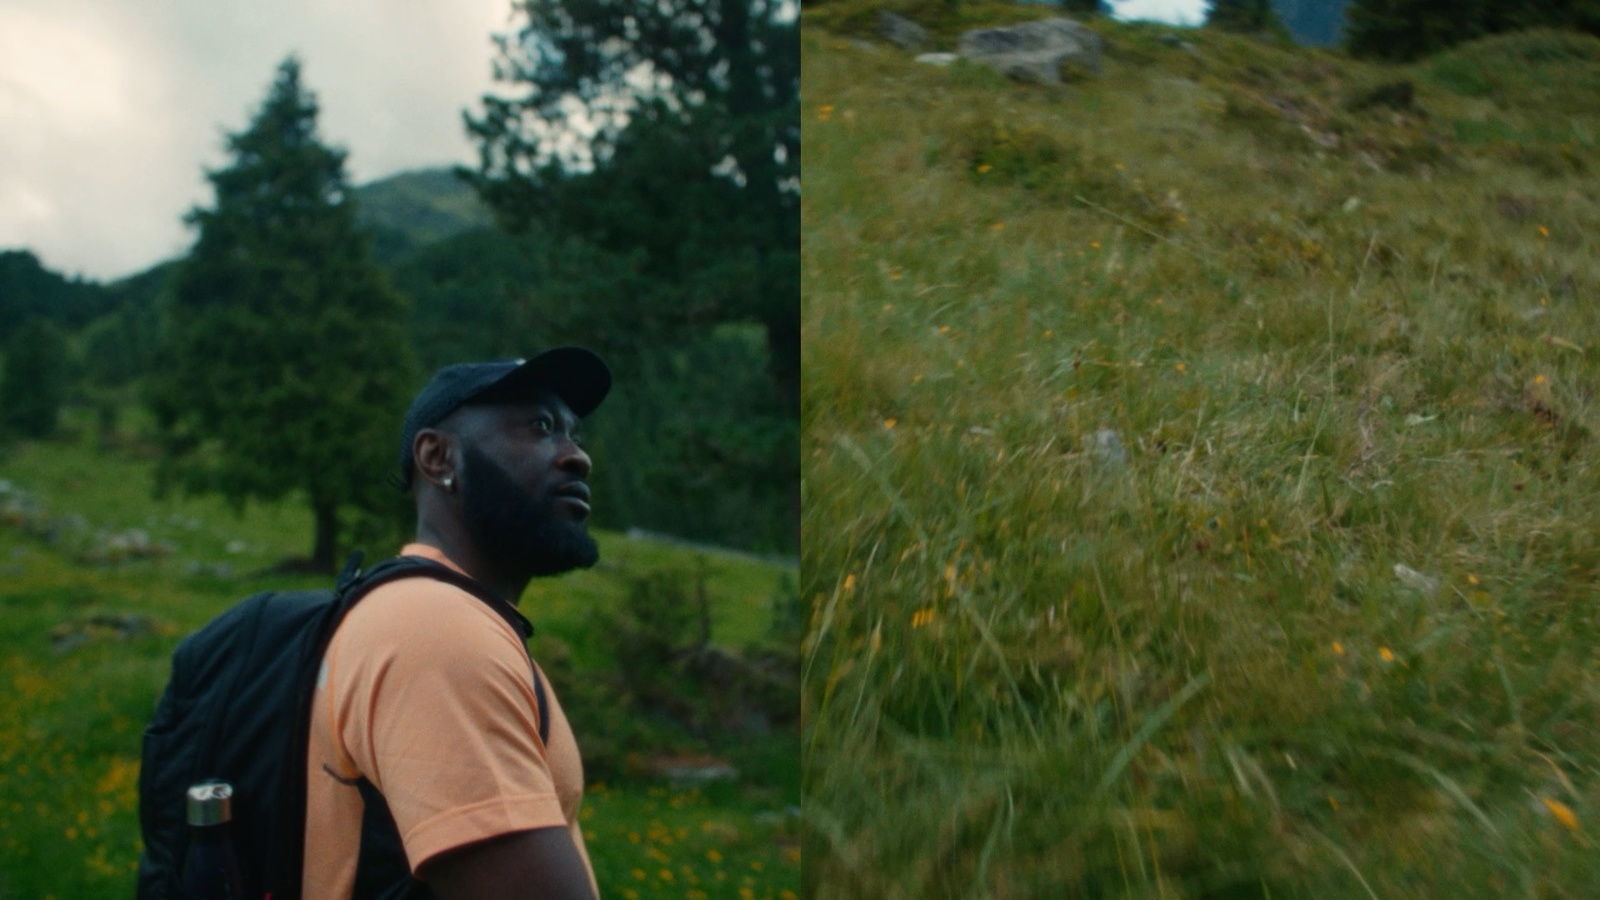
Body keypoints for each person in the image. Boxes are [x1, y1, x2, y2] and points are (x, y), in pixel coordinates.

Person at [301, 347, 612, 899]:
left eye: (575, 434)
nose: (576, 457)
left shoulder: (448, 614)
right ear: (438, 458)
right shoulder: (435, 630)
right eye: (541, 427)